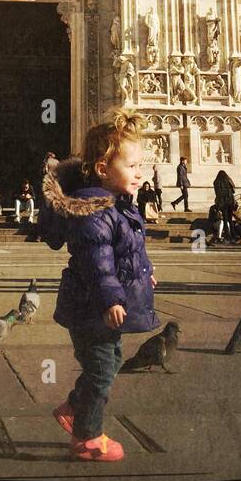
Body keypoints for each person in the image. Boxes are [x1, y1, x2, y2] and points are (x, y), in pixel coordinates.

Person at [39, 109, 158, 462]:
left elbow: (130, 248)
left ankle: (75, 407)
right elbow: (97, 263)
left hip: (100, 309)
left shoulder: (119, 205)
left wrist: (145, 269)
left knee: (109, 363)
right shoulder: (93, 210)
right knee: (102, 370)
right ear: (104, 169)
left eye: (141, 165)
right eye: (133, 166)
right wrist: (110, 298)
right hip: (91, 308)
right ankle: (86, 438)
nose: (140, 173)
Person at [213, 170, 239, 242]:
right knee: (230, 220)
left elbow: (217, 193)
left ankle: (228, 236)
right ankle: (233, 236)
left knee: (225, 220)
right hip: (230, 202)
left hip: (223, 203)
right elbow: (233, 189)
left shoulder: (216, 182)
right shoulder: (228, 180)